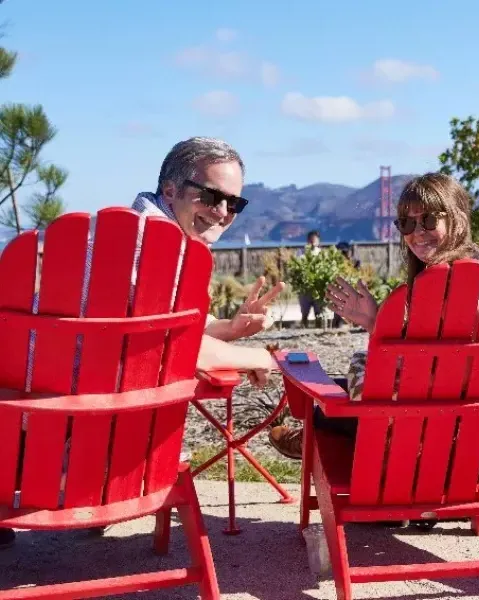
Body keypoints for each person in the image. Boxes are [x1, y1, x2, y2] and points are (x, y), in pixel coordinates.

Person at [1, 137, 284, 550]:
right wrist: (265, 357)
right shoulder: (156, 250)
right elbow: (179, 350)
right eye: (210, 195)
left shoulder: (129, 239)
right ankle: (89, 491)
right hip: (64, 437)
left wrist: (226, 330)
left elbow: (142, 338)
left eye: (234, 203)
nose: (223, 212)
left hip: (19, 429)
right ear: (170, 189)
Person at [268, 172, 479, 458]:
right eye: (407, 223)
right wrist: (376, 323)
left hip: (422, 438)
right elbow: (427, 362)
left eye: (429, 220)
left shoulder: (449, 291)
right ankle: (308, 429)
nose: (417, 231)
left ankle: (307, 435)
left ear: (457, 219)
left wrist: (380, 327)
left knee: (335, 397)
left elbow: (422, 372)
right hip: (470, 436)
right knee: (338, 387)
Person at [297, 230, 324, 328]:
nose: (313, 241)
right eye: (311, 239)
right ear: (308, 240)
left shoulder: (321, 253)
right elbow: (299, 266)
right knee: (305, 311)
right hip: (305, 287)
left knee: (318, 311)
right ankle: (303, 327)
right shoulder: (301, 252)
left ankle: (318, 328)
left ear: (318, 241)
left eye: (315, 239)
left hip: (318, 286)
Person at [331, 241, 361, 328]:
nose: (343, 255)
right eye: (341, 252)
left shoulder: (354, 262)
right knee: (338, 312)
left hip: (351, 289)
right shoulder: (336, 263)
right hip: (340, 289)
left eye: (345, 252)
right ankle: (337, 327)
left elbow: (358, 275)